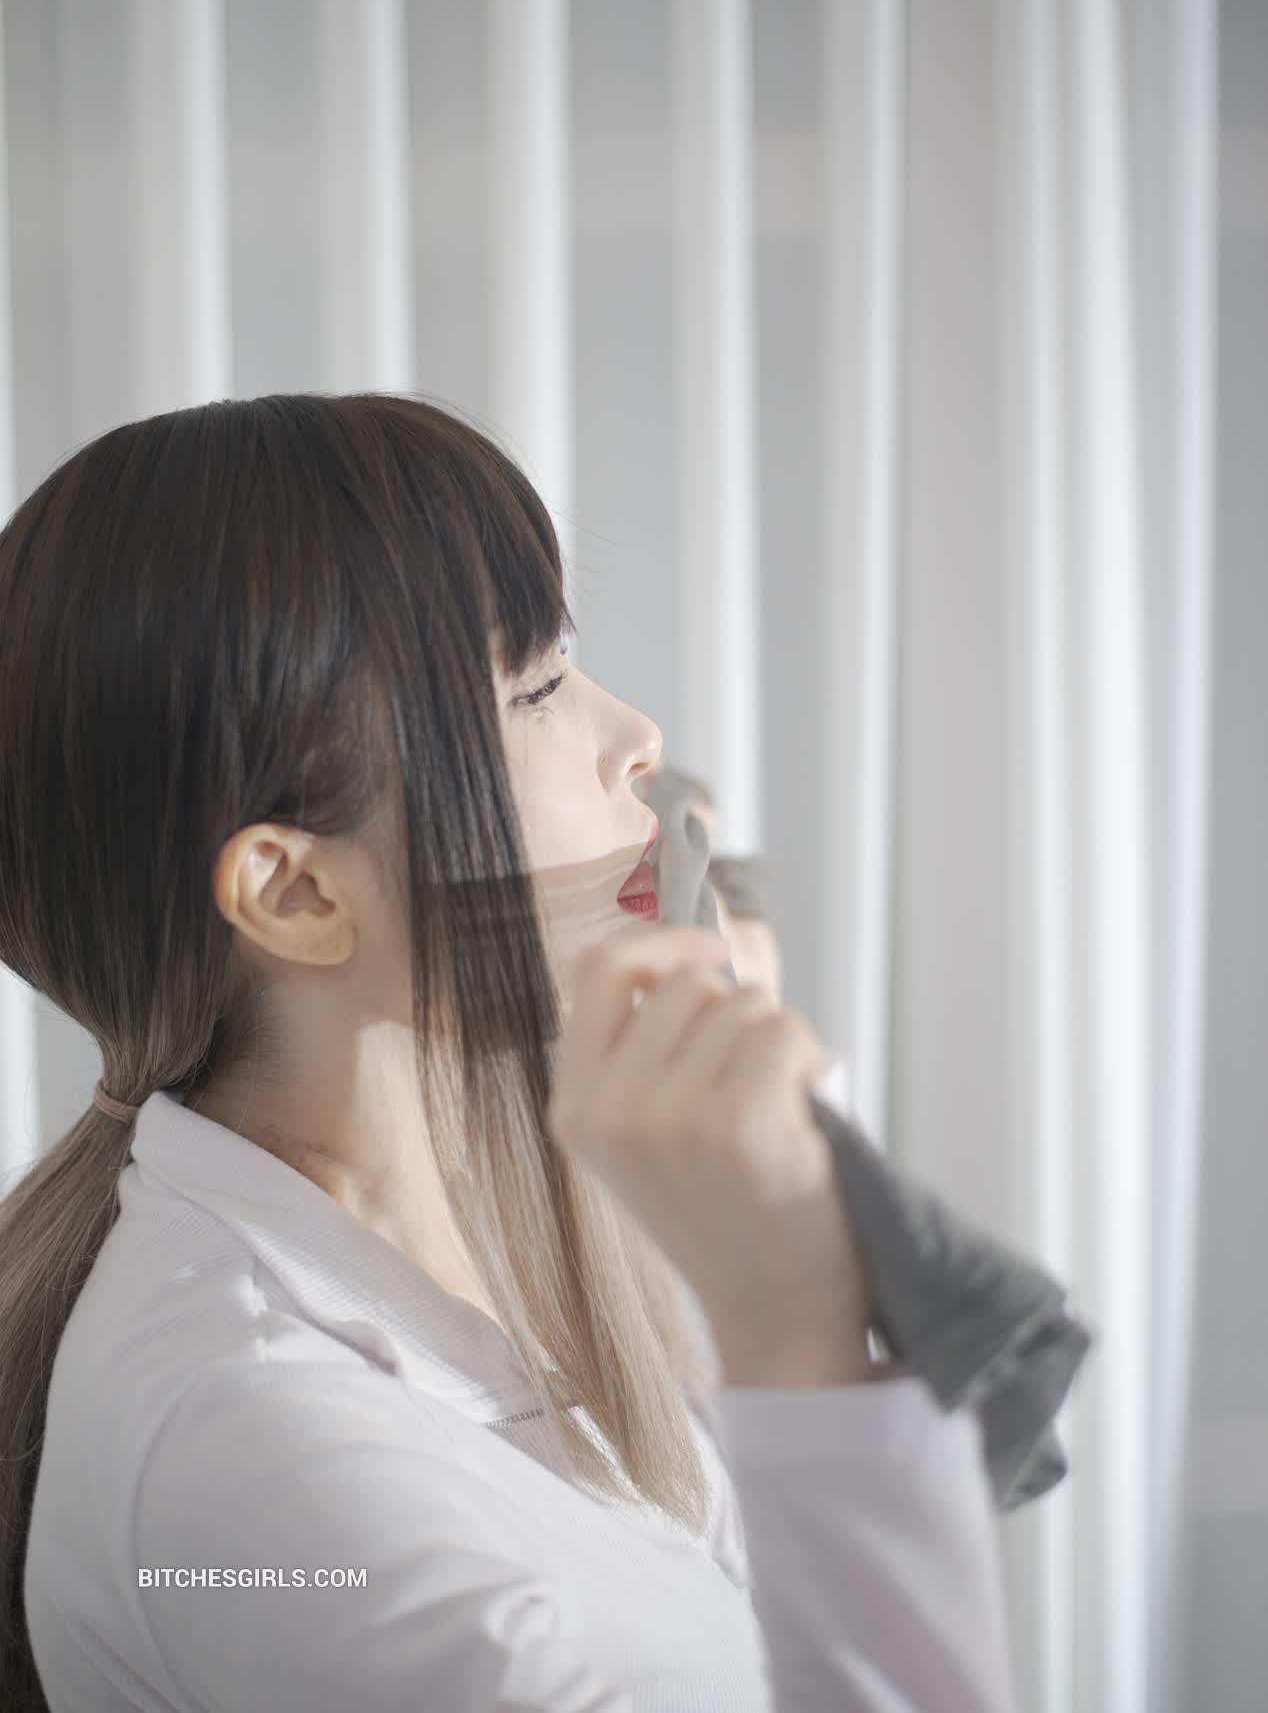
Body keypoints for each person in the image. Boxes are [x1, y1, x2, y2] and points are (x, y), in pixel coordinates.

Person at [0, 393, 1016, 1711]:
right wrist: (798, 1335)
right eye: (531, 691)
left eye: (564, 662)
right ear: (296, 894)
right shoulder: (255, 1459)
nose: (637, 739)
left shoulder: (543, 1234)